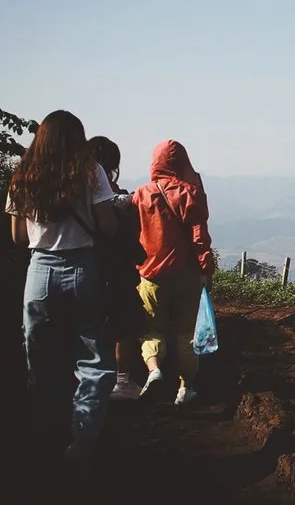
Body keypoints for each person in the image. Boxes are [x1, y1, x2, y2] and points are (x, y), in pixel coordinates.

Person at [5, 110, 118, 474]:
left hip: (39, 273)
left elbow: (18, 238)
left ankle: (45, 436)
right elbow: (106, 226)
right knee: (93, 362)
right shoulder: (91, 172)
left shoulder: (23, 176)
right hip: (82, 268)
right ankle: (82, 441)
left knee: (40, 360)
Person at [132, 140, 214, 406]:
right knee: (185, 332)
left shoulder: (141, 195)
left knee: (152, 328)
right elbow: (199, 237)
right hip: (185, 273)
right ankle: (185, 389)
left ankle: (154, 370)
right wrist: (205, 269)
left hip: (150, 274)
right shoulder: (190, 192)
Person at [88, 136, 147, 401]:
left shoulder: (73, 194)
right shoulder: (118, 199)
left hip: (85, 268)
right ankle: (122, 380)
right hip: (118, 271)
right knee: (124, 325)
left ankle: (89, 379)